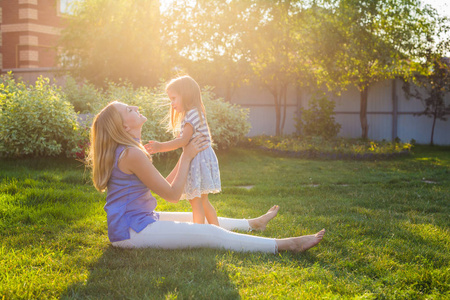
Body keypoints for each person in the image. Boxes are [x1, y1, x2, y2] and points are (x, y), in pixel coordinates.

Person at [88, 100, 325, 253]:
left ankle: (253, 224)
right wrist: (188, 156)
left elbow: (164, 185)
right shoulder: (131, 154)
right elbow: (172, 194)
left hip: (138, 220)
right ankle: (286, 245)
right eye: (129, 110)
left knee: (195, 217)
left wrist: (185, 154)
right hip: (130, 232)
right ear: (124, 127)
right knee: (208, 233)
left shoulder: (129, 150)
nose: (136, 107)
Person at [145, 75, 220, 225]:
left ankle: (200, 233)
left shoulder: (191, 114)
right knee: (202, 200)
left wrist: (160, 147)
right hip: (201, 158)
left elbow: (183, 141)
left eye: (173, 98)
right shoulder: (194, 113)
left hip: (198, 159)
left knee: (195, 200)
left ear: (186, 95)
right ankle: (216, 229)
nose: (171, 103)